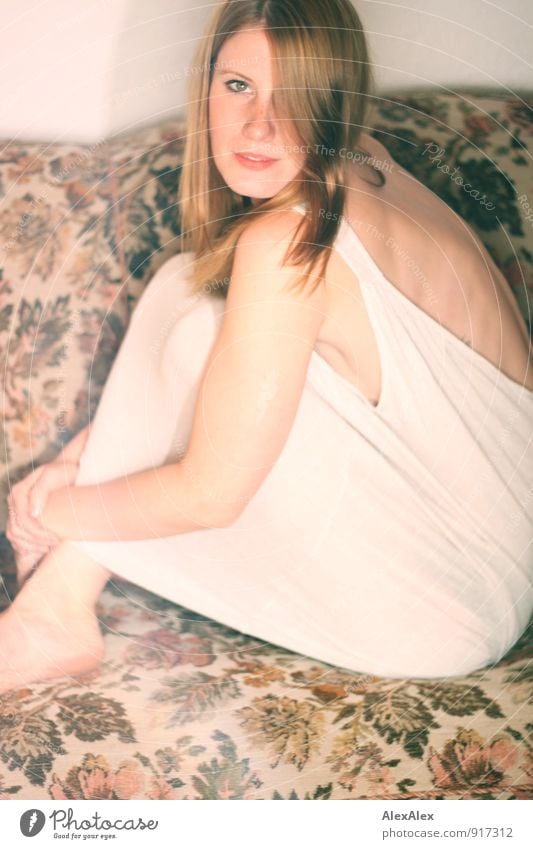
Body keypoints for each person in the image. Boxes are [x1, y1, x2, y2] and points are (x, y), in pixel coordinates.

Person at [2, 0, 533, 693]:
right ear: (207, 87)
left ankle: (53, 607)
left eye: (298, 95)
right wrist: (79, 461)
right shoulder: (370, 167)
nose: (261, 124)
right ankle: (55, 607)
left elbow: (209, 497)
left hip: (441, 609)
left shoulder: (286, 239)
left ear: (339, 102)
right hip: (495, 573)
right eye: (238, 85)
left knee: (189, 313)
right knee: (194, 306)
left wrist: (48, 510)